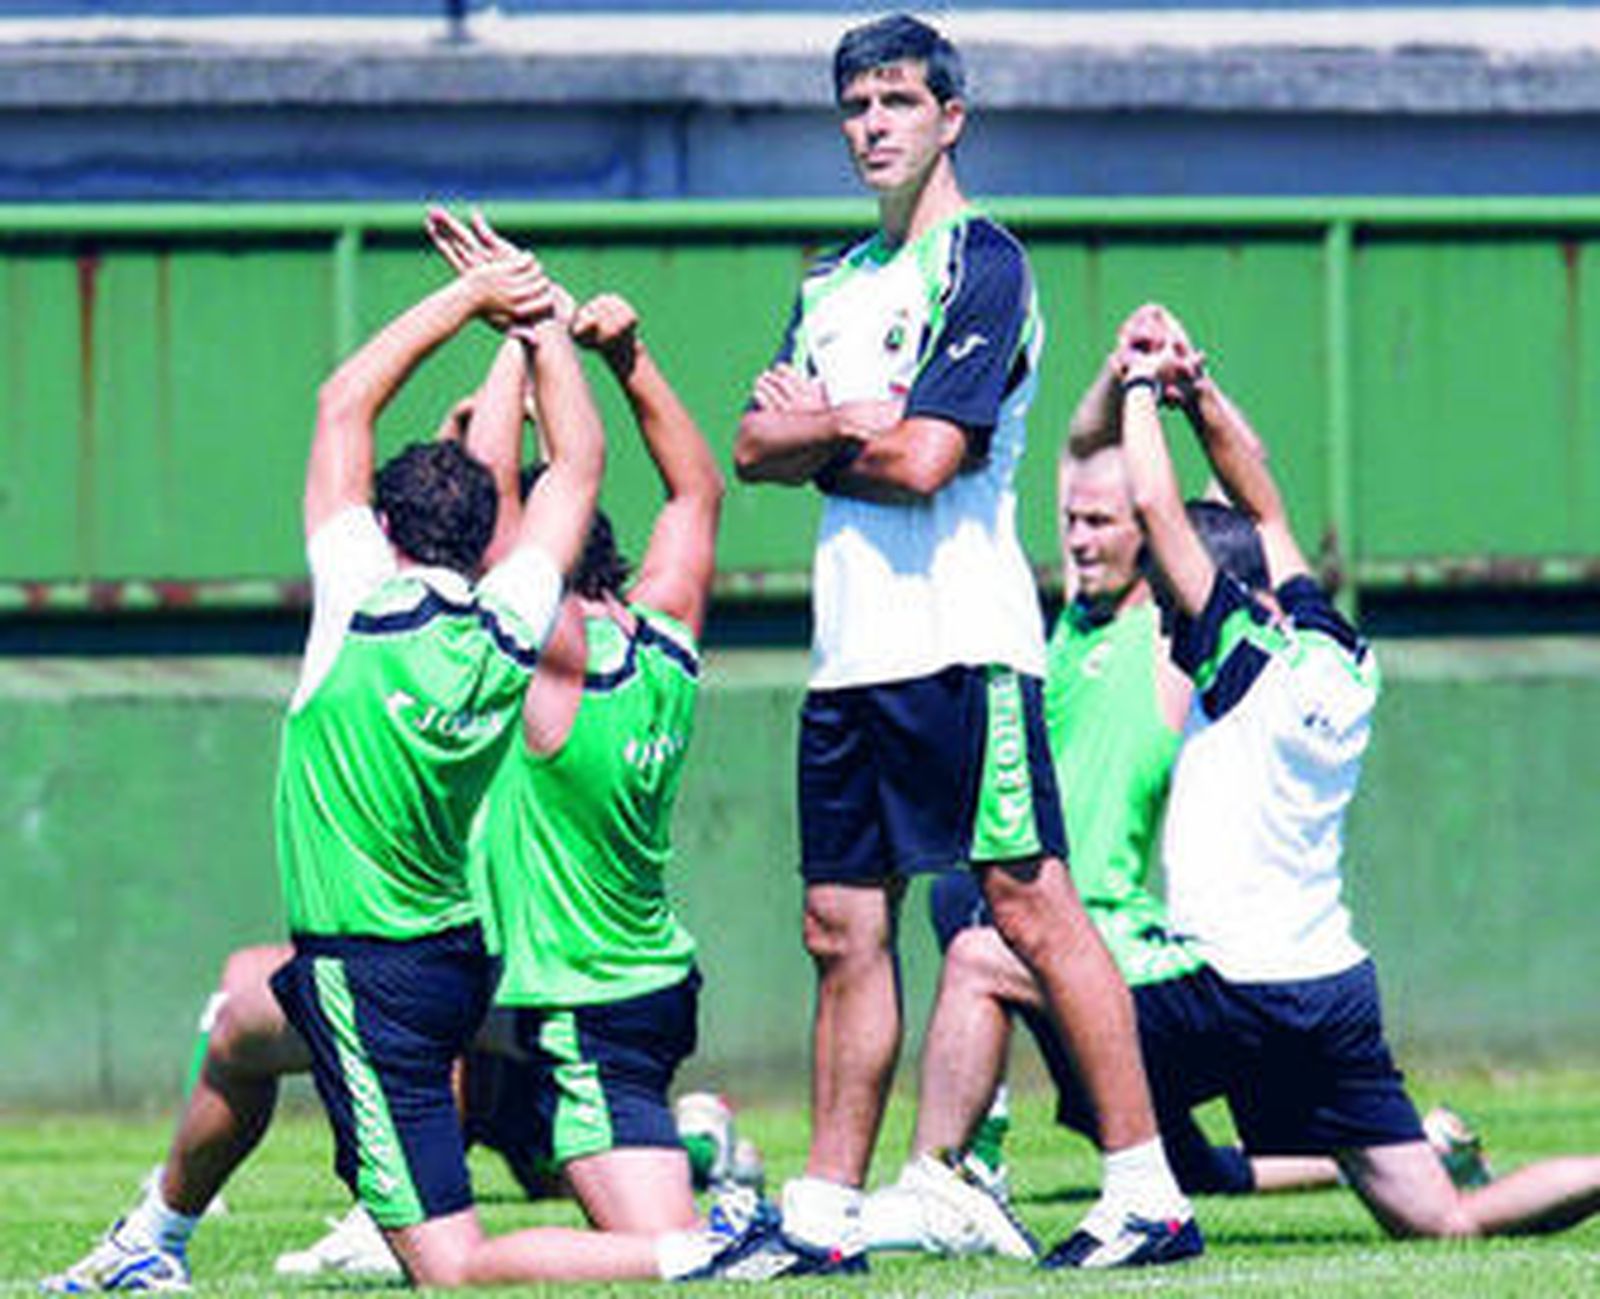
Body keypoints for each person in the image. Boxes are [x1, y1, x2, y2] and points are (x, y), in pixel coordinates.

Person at [43, 218, 758, 1291]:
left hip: (373, 976)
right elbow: (580, 465)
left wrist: (479, 300)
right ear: (487, 546)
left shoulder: (354, 608)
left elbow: (345, 400)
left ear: (382, 527)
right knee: (240, 1023)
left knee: (455, 1266)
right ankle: (154, 1237)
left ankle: (696, 1247)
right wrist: (539, 326)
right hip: (457, 959)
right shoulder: (510, 623)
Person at [732, 12, 1200, 1270]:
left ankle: (1145, 1191)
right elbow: (748, 447)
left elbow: (927, 458)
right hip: (849, 660)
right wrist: (855, 416)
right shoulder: (828, 282)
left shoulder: (984, 264)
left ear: (950, 116)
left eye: (895, 102)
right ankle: (822, 1221)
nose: (871, 124)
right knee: (840, 924)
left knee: (1027, 902)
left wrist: (825, 430)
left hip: (963, 646)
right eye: (854, 105)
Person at [1087, 300, 1600, 1243]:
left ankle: (1011, 1185)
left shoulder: (1236, 667)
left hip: (1228, 982)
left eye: (1168, 598)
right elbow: (1266, 501)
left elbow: (1158, 507)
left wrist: (1139, 385)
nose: (1163, 619)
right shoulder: (1339, 656)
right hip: (1329, 984)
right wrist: (1199, 392)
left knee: (1013, 967)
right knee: (1442, 1220)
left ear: (1215, 594)